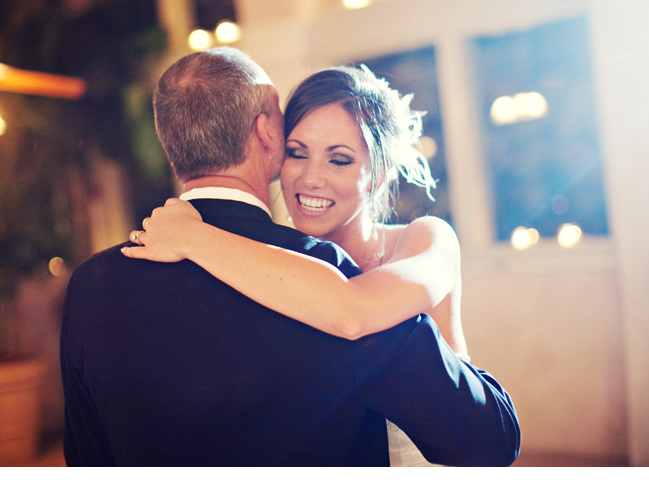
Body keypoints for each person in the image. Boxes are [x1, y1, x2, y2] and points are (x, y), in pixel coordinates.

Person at [63, 47, 520, 466]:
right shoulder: (313, 272)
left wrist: (192, 238)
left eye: (339, 159)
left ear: (378, 175)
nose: (311, 178)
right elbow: (488, 437)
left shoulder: (90, 284)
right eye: (297, 151)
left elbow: (88, 461)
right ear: (270, 136)